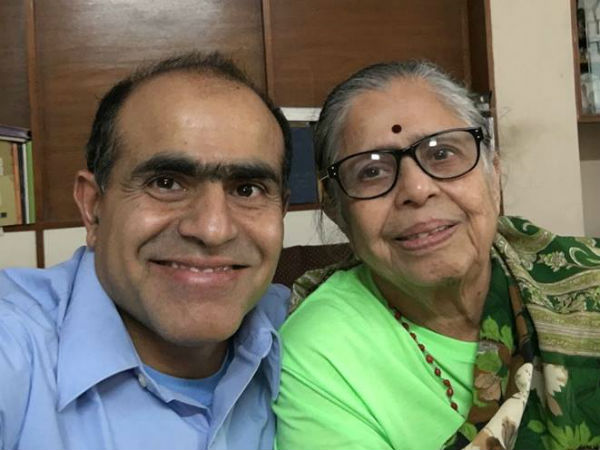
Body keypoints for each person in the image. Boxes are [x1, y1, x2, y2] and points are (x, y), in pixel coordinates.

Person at [274, 60, 600, 450]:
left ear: (493, 175)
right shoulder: (321, 354)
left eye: (442, 153)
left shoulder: (584, 280)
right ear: (337, 211)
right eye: (372, 172)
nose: (417, 189)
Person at [0, 51, 292, 450]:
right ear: (93, 207)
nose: (213, 230)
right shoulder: (15, 347)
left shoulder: (305, 332)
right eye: (166, 183)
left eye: (247, 189)